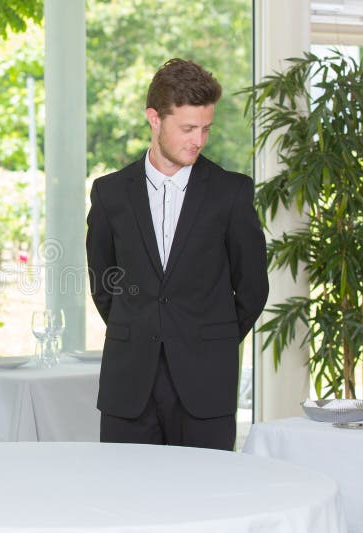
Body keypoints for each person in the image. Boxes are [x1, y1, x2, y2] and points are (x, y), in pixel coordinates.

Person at [86, 58, 269, 450]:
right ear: (154, 118)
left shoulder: (231, 193)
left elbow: (252, 286)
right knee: (124, 502)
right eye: (187, 128)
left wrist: (212, 338)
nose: (198, 140)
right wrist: (138, 325)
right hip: (128, 385)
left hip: (206, 386)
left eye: (205, 129)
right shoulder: (109, 193)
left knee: (205, 501)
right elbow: (104, 282)